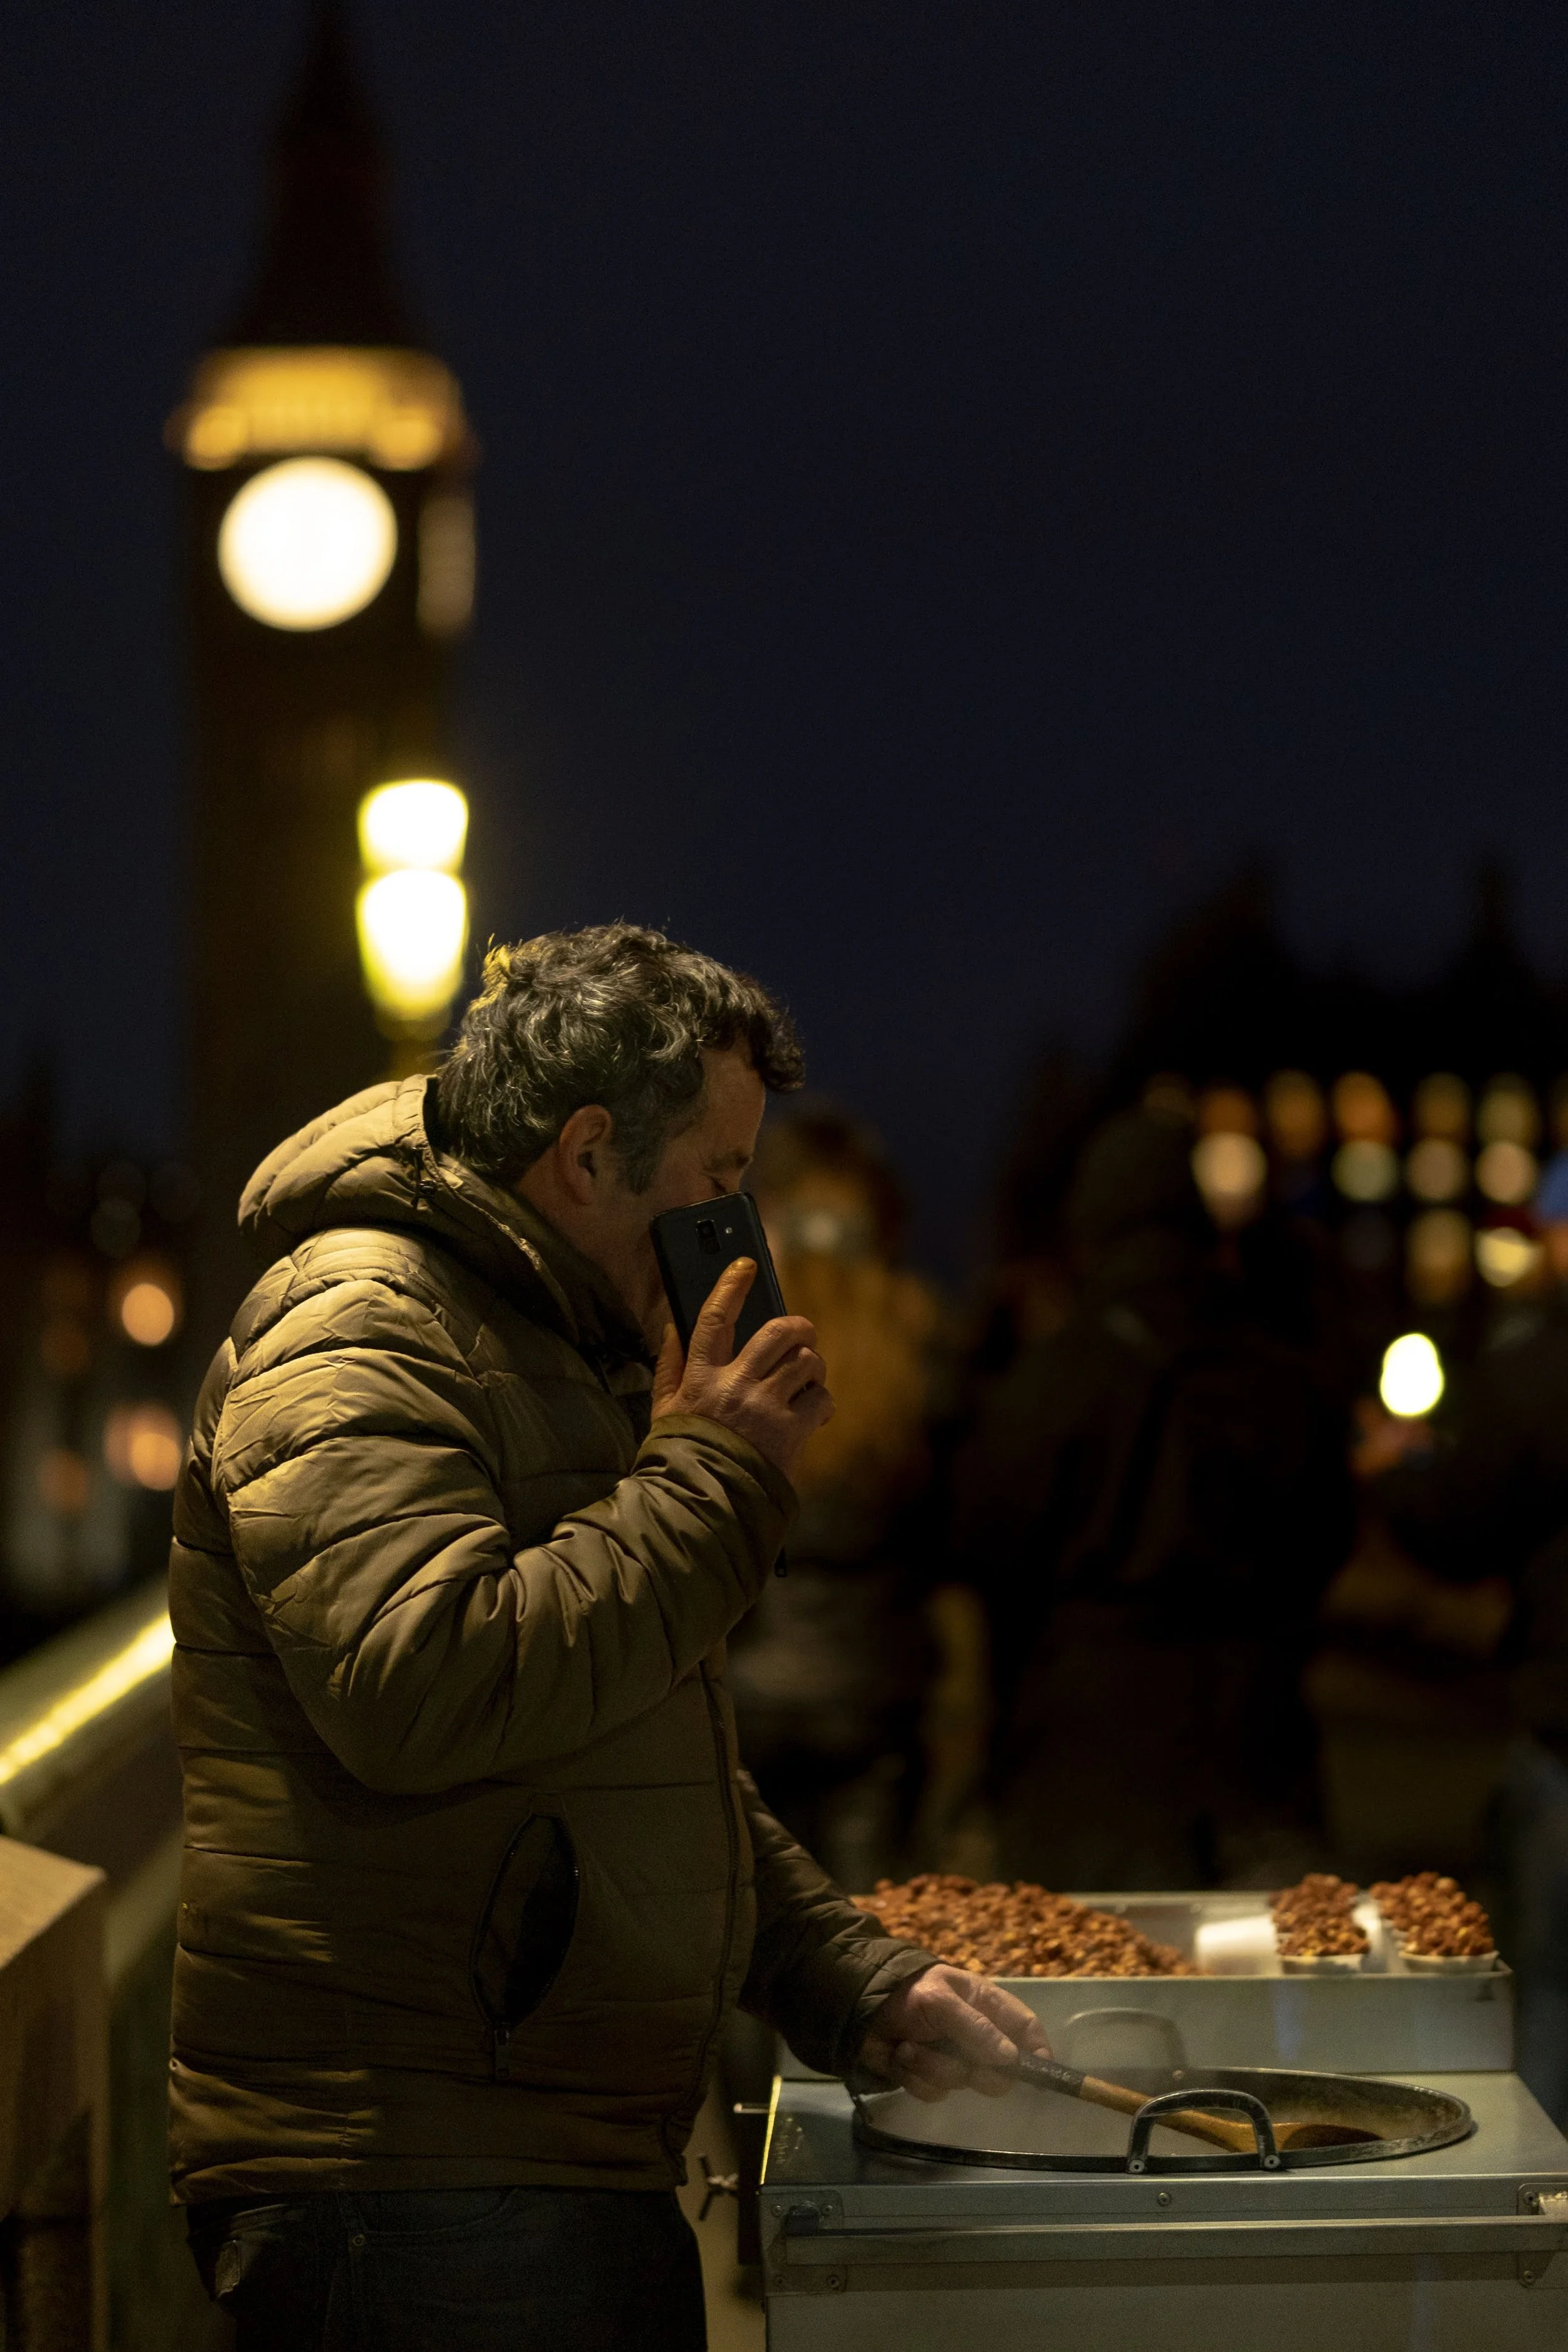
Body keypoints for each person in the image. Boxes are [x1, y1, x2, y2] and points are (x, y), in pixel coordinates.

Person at [170, 925, 1042, 2351]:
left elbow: (628, 1748)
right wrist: (710, 1473)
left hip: (521, 2155)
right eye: (715, 1186)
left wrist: (846, 1976)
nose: (735, 1236)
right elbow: (424, 1682)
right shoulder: (359, 1326)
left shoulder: (548, 1334)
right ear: (587, 1155)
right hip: (415, 2178)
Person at [950, 1106, 1353, 1891]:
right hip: (1257, 1747)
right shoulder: (1285, 1383)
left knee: (1101, 2001)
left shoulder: (1052, 1381)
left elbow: (983, 1543)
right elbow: (1328, 1537)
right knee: (1261, 2002)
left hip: (1084, 1763)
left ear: (1091, 1227)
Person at [1358, 1152, 1568, 2126]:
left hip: (1565, 1727)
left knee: (1554, 1991)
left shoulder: (1540, 1370)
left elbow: (1463, 1523)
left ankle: (1548, 2214)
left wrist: (1396, 1473)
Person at [725, 1104, 957, 1890]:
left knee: (754, 1932)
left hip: (746, 1685)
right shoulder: (913, 1338)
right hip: (875, 1690)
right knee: (865, 1936)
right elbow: (951, 1527)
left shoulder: (731, 1346)